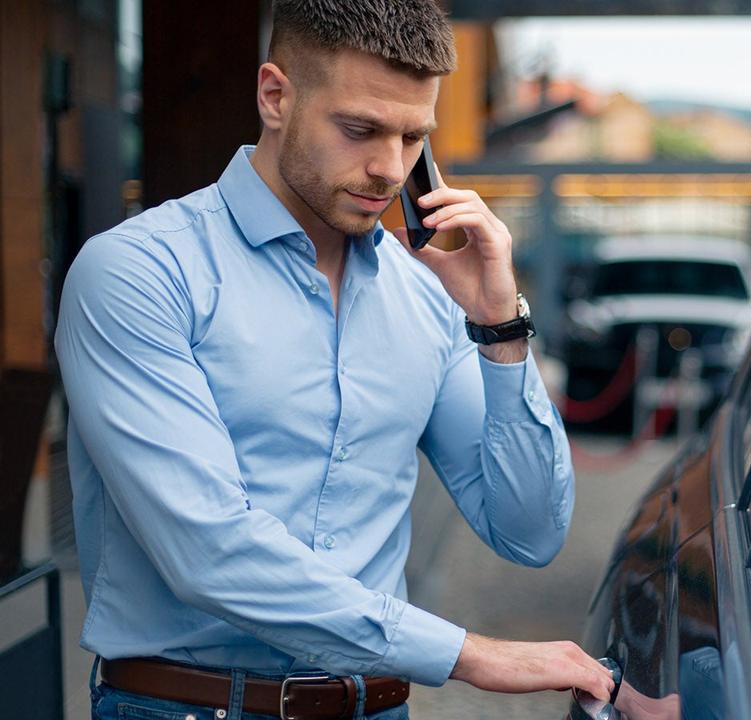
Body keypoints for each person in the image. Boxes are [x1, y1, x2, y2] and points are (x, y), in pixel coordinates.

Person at [55, 1, 616, 717]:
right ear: (275, 96)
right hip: (187, 707)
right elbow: (209, 551)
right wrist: (471, 655)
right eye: (360, 130)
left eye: (413, 136)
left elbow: (530, 532)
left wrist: (500, 329)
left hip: (376, 707)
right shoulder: (138, 274)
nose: (389, 169)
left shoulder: (431, 295)